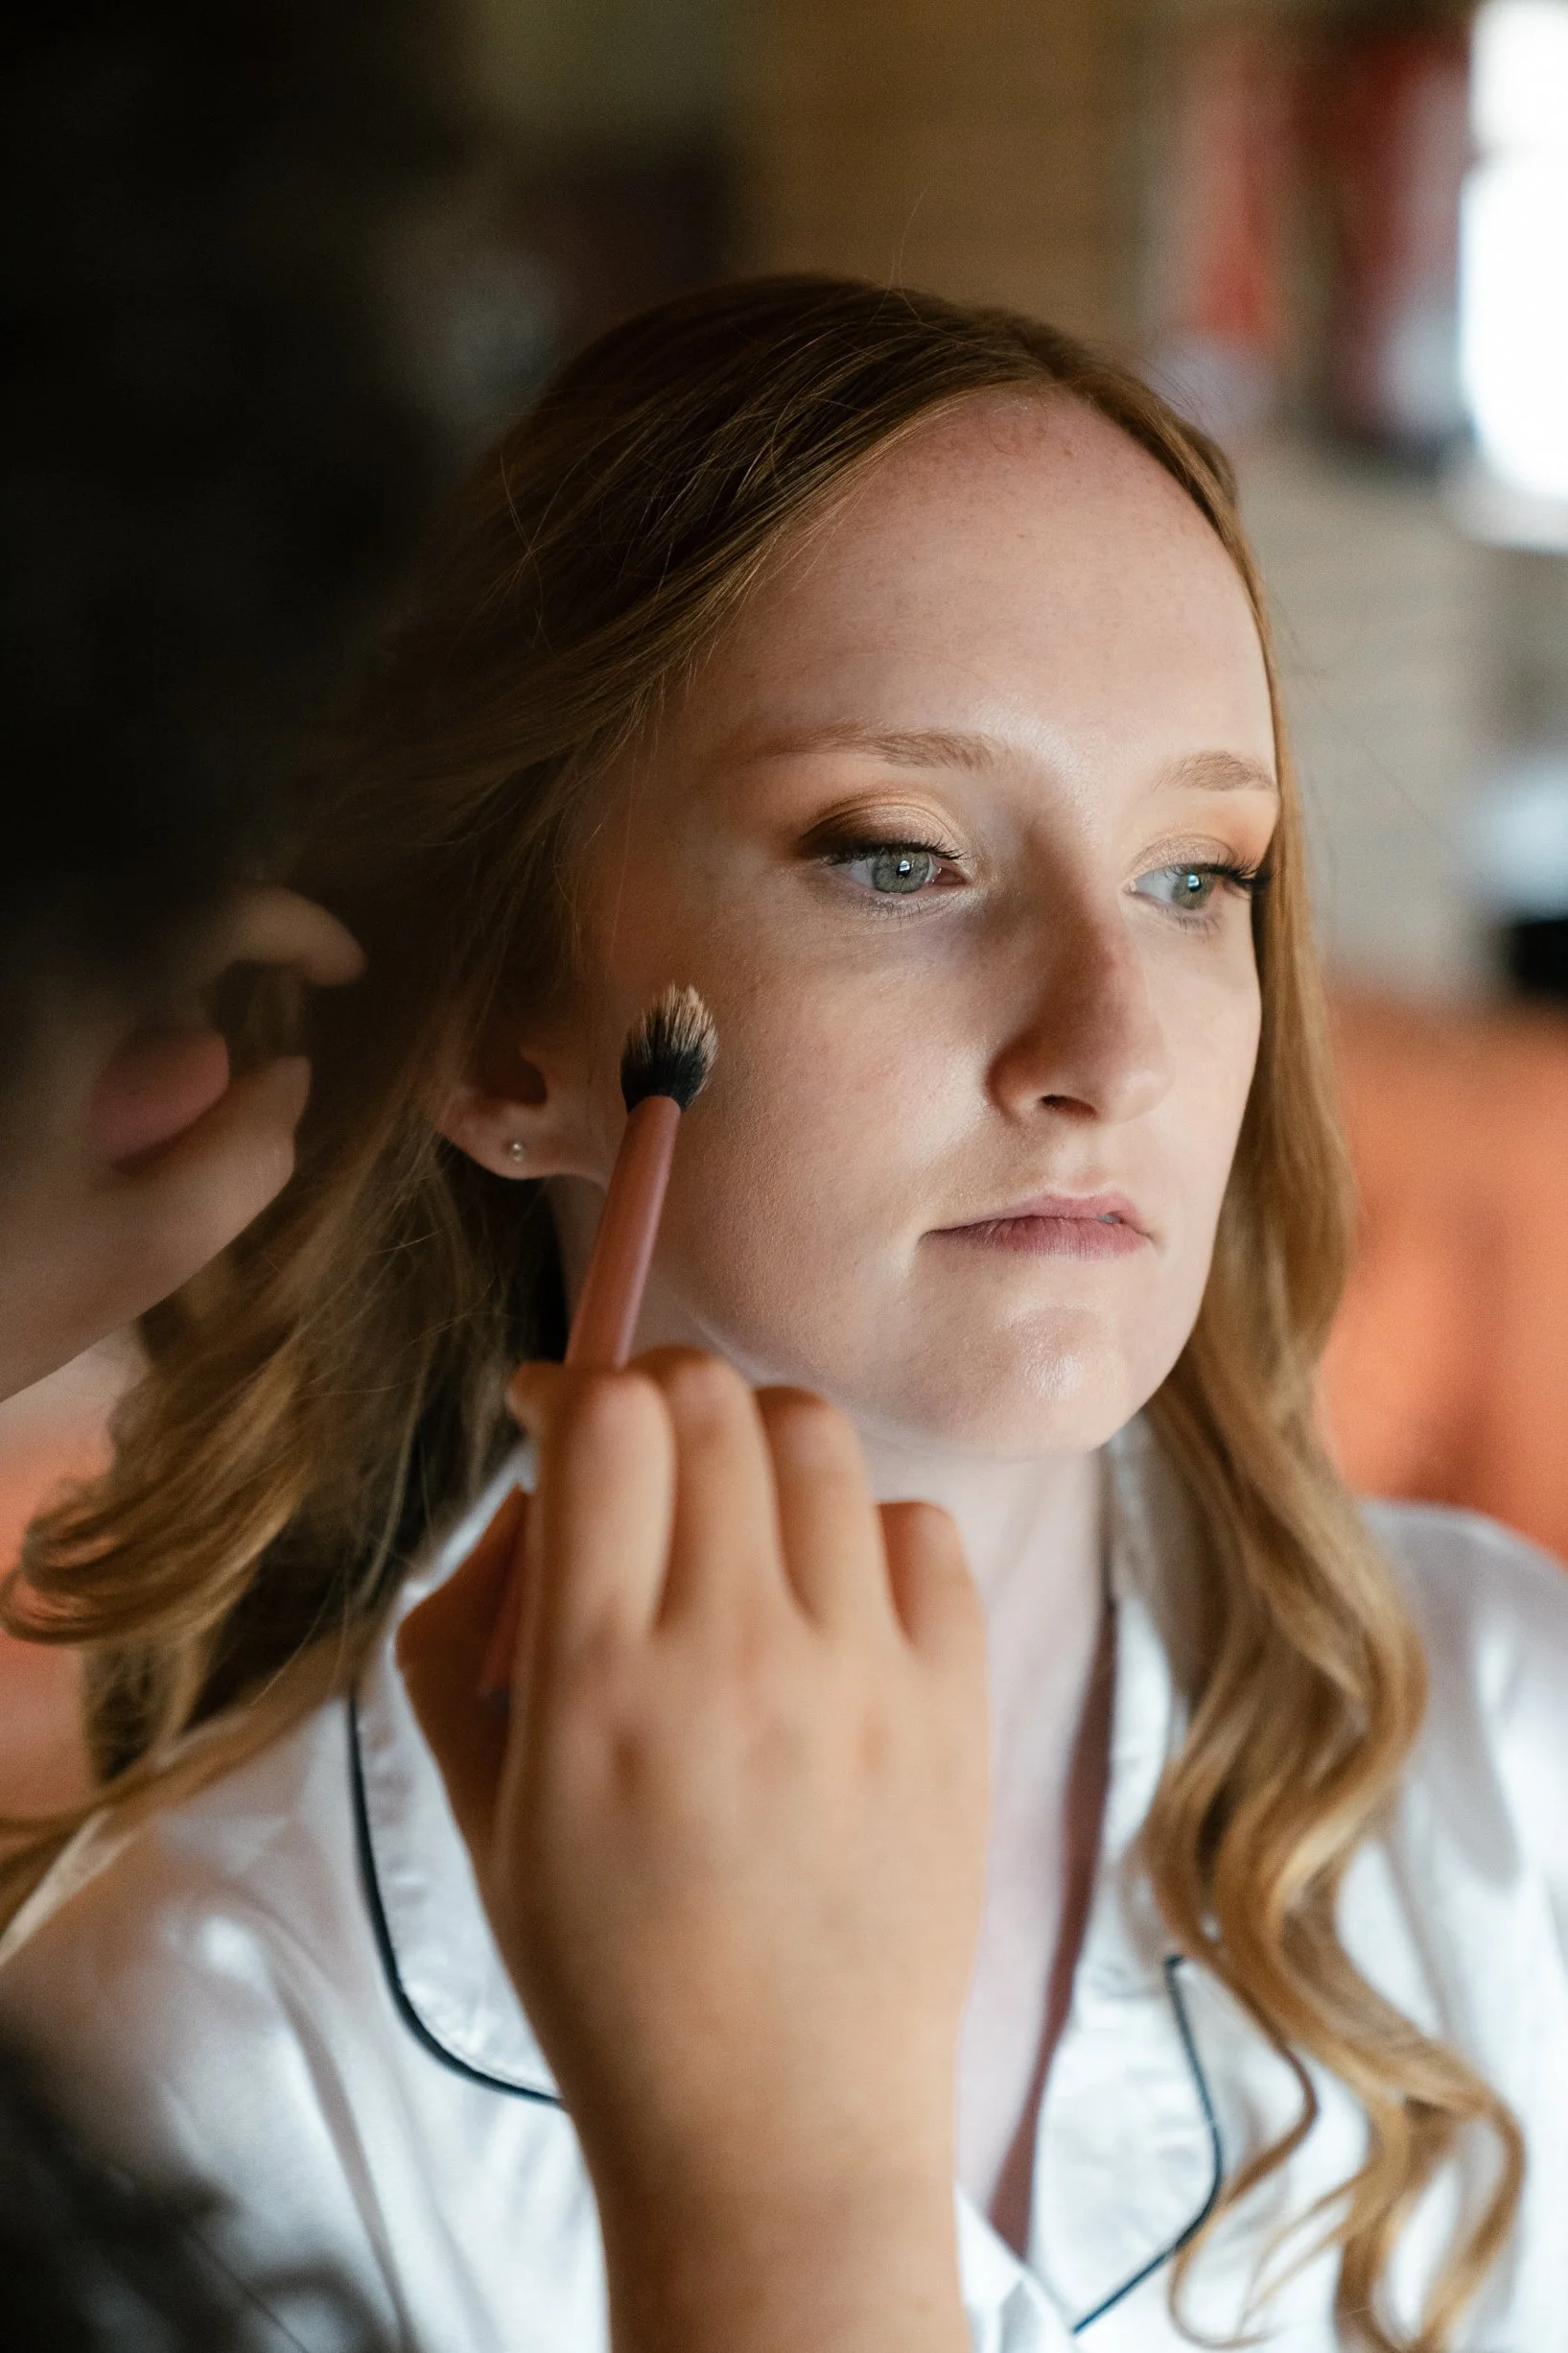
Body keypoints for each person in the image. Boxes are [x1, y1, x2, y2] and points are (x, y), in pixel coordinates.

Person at [1, 275, 1564, 2353]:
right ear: (500, 1031)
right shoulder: (196, 2038)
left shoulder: (1514, 1747)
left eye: (1199, 876)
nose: (1112, 1040)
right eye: (897, 856)